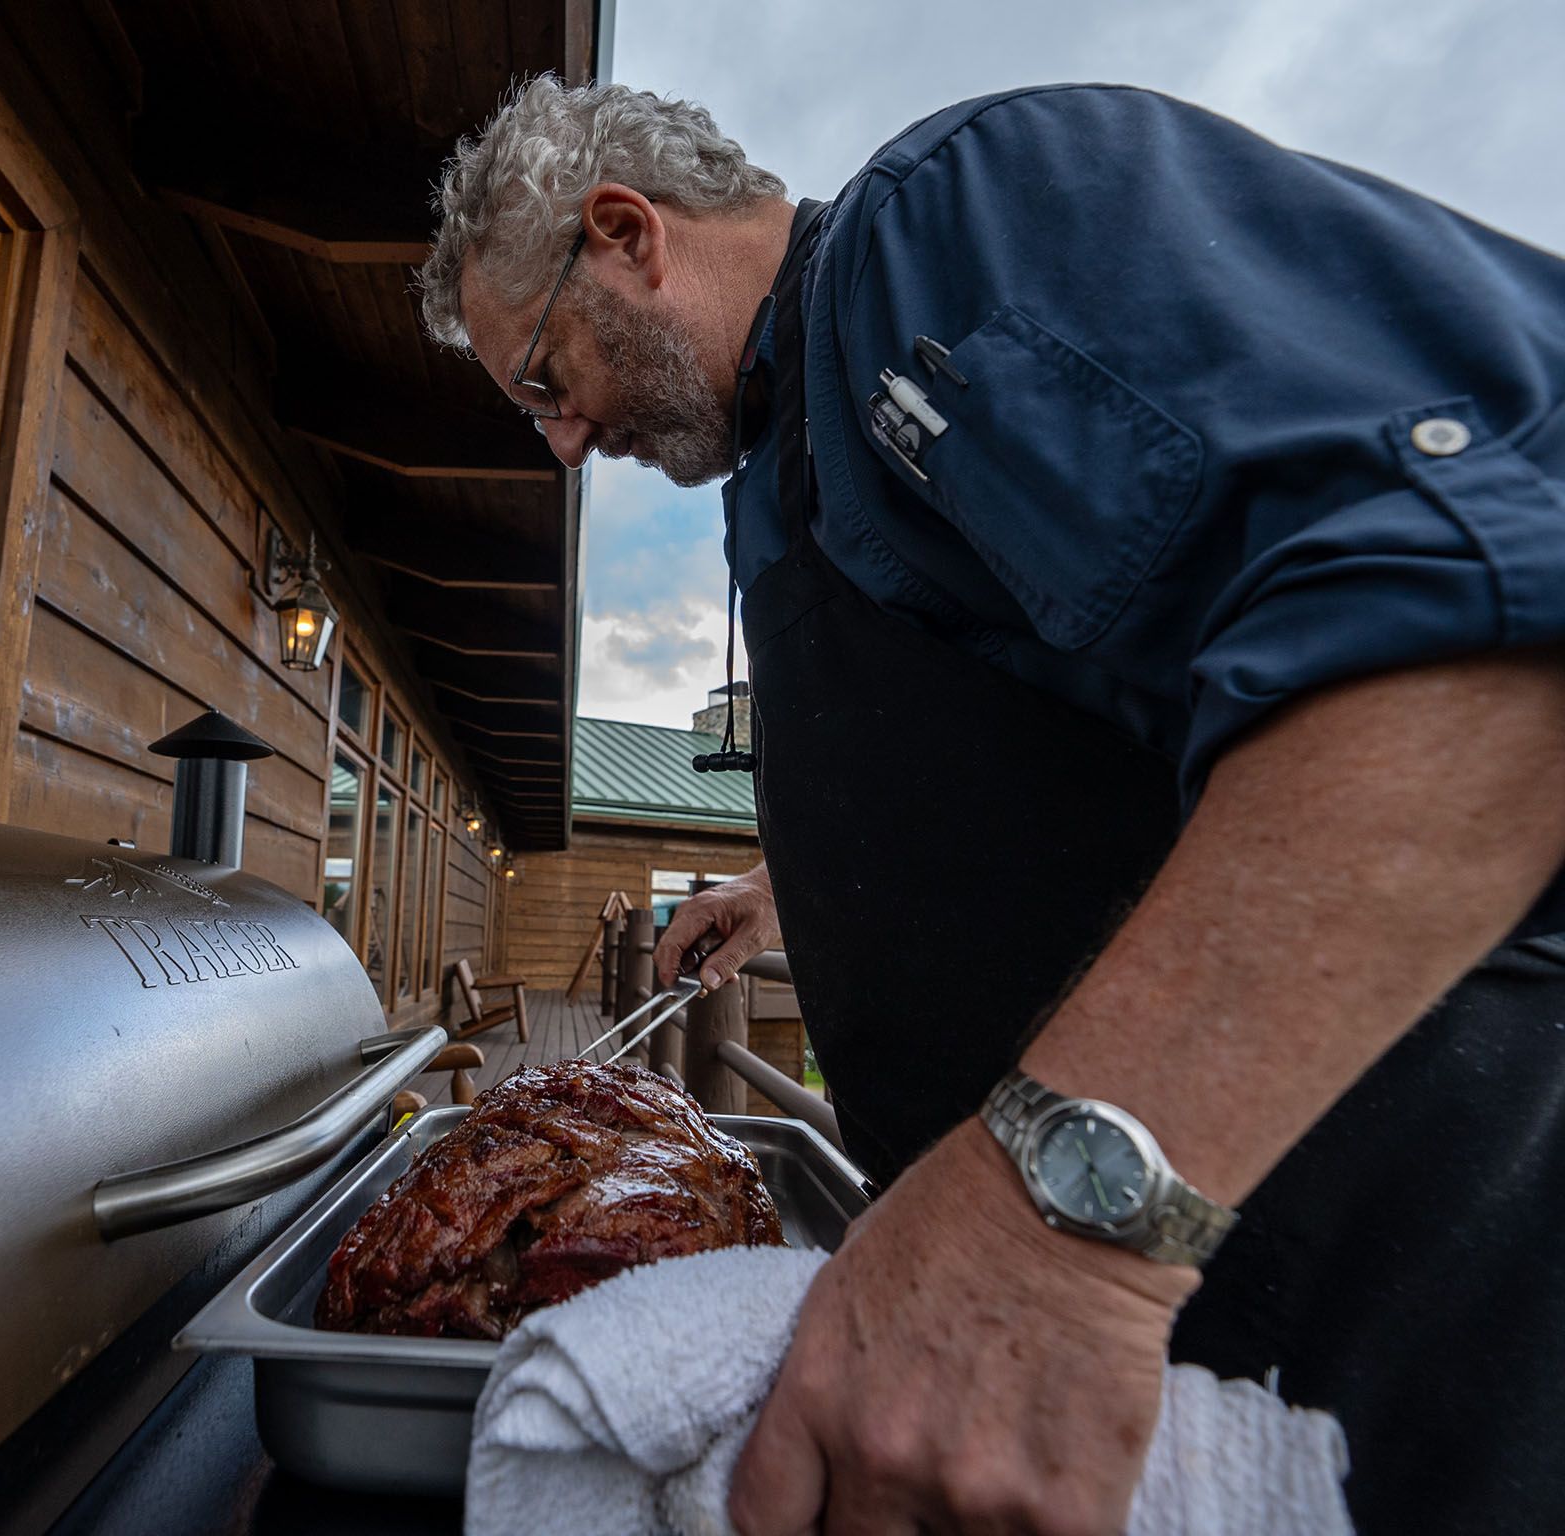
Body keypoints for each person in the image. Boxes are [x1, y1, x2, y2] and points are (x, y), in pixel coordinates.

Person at [418, 77, 1565, 1535]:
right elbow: (1053, 746)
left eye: (540, 378)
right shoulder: (775, 470)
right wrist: (792, 897)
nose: (561, 444)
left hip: (1384, 1336)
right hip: (1053, 1404)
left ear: (630, 235)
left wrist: (1057, 1227)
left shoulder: (949, 231)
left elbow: (1477, 644)